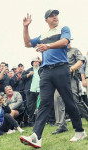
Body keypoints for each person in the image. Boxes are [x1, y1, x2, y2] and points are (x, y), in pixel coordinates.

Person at [20, 10, 87, 149]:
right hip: (45, 72)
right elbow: (27, 43)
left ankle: (80, 131)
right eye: (51, 15)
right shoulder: (43, 35)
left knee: (69, 101)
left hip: (61, 69)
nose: (55, 17)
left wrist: (48, 46)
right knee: (44, 103)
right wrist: (26, 27)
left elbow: (64, 41)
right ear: (46, 20)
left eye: (56, 15)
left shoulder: (63, 29)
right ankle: (36, 137)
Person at [53, 44, 88, 135]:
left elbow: (81, 62)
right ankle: (62, 126)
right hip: (60, 79)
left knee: (76, 100)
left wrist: (71, 68)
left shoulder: (75, 50)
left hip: (72, 78)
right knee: (57, 99)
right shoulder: (58, 52)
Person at [22, 58, 40, 126]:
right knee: (31, 106)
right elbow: (22, 78)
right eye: (34, 62)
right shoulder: (28, 70)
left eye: (37, 62)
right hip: (30, 90)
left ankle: (41, 120)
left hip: (40, 90)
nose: (36, 63)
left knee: (41, 105)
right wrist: (28, 74)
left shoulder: (41, 69)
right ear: (32, 63)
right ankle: (31, 121)